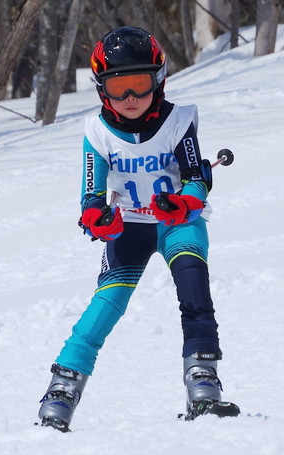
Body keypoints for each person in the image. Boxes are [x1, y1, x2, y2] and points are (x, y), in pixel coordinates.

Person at [37, 26, 238, 432]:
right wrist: (96, 216)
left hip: (177, 222)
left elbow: (197, 176)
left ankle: (202, 376)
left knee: (193, 283)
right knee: (108, 303)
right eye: (118, 87)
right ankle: (63, 386)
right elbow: (91, 193)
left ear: (158, 80)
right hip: (129, 226)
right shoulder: (97, 133)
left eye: (139, 85)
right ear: (101, 89)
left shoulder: (178, 120)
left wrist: (186, 201)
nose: (130, 98)